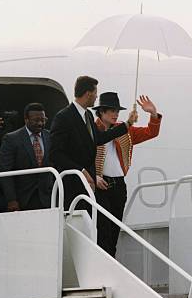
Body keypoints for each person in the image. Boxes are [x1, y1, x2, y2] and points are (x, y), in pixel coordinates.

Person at [49, 76, 137, 210]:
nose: (96, 97)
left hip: (88, 186)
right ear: (88, 94)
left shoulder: (88, 115)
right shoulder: (63, 117)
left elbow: (99, 138)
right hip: (73, 184)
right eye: (95, 93)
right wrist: (81, 170)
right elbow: (55, 153)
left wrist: (128, 124)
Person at [93, 93, 162, 257]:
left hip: (118, 185)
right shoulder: (92, 130)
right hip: (100, 186)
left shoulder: (125, 131)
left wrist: (153, 114)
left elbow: (151, 132)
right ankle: (104, 263)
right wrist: (93, 175)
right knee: (103, 230)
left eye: (117, 110)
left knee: (115, 229)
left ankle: (111, 262)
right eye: (112, 110)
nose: (116, 114)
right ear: (101, 112)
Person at [0, 102, 53, 211]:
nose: (40, 123)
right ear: (26, 119)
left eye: (43, 120)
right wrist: (11, 200)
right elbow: (5, 171)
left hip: (48, 198)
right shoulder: (11, 139)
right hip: (23, 199)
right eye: (36, 120)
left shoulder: (50, 137)